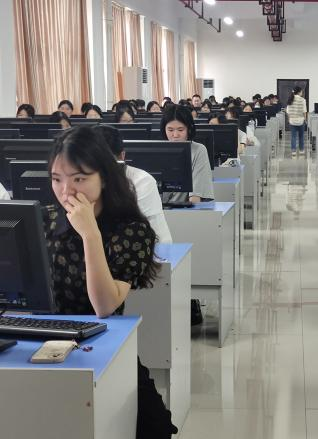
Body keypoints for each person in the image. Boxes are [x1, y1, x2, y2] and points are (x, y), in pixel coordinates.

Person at [45, 126, 177, 438]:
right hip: (40, 338)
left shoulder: (131, 230)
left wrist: (90, 234)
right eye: (57, 179)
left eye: (79, 179)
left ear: (104, 177)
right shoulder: (43, 219)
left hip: (100, 344)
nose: (66, 191)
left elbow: (104, 306)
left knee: (154, 426)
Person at [93, 125, 172, 243]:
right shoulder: (81, 180)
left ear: (122, 156)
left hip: (148, 246)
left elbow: (129, 226)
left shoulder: (142, 180)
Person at [160, 104, 213, 203]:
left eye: (180, 130)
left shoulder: (198, 150)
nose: (175, 135)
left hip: (184, 210)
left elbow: (195, 198)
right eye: (170, 130)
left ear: (189, 129)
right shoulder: (158, 150)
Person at [286, 86, 307, 157]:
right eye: (301, 91)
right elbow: (304, 111)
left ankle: (293, 151)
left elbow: (288, 111)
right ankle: (301, 150)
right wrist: (305, 119)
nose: (302, 93)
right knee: (301, 136)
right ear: (299, 92)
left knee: (293, 136)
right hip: (301, 120)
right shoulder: (303, 100)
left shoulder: (290, 99)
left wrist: (289, 119)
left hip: (292, 120)